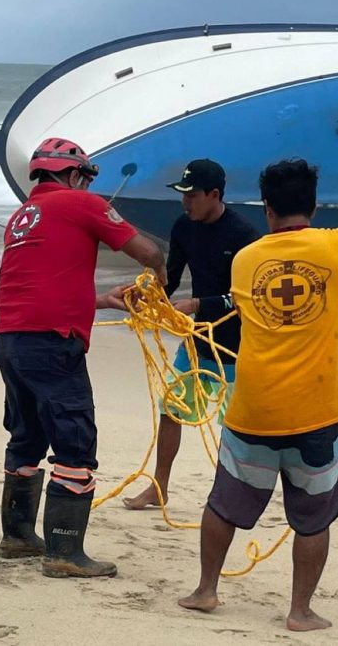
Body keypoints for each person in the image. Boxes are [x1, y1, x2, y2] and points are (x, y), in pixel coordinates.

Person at [178, 158, 338, 632]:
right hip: (314, 413)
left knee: (224, 502)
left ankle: (206, 590)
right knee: (313, 516)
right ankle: (299, 612)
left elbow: (274, 313)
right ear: (314, 204)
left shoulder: (246, 259)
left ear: (266, 209)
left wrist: (335, 315)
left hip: (252, 408)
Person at [0, 137, 167, 579]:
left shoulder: (22, 216)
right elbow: (148, 252)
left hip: (12, 341)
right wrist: (161, 276)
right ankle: (64, 552)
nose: (89, 187)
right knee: (74, 441)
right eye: (87, 179)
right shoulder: (80, 204)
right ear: (73, 175)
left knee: (27, 436)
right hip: (53, 345)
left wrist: (102, 301)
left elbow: (41, 288)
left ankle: (16, 536)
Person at [121, 159, 259, 510]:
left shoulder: (244, 236)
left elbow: (247, 297)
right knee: (172, 409)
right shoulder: (184, 226)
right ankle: (159, 487)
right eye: (183, 195)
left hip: (238, 347)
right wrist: (150, 297)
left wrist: (198, 304)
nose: (186, 203)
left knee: (236, 427)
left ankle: (232, 495)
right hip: (197, 343)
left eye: (193, 196)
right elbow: (172, 277)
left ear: (214, 195)